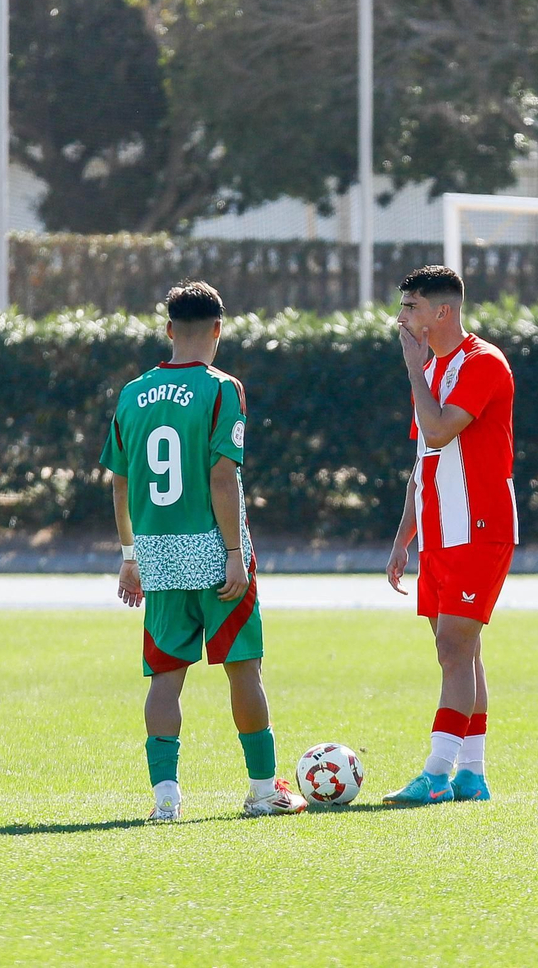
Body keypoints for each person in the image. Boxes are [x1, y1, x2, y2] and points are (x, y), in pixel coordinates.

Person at [103, 280, 307, 822]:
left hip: (157, 553)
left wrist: (129, 556)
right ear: (219, 329)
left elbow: (120, 482)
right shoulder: (221, 388)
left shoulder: (131, 393)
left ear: (169, 329)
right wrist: (235, 552)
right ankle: (264, 791)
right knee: (244, 669)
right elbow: (223, 476)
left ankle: (166, 800)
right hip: (215, 552)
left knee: (166, 676)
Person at [382, 265, 518, 805]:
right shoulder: (435, 368)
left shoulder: (482, 362)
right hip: (440, 532)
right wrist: (402, 538)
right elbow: (425, 461)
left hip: (480, 526)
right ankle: (472, 774)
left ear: (442, 311)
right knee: (464, 652)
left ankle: (436, 772)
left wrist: (415, 369)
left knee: (453, 648)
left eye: (410, 307)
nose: (402, 318)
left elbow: (440, 428)